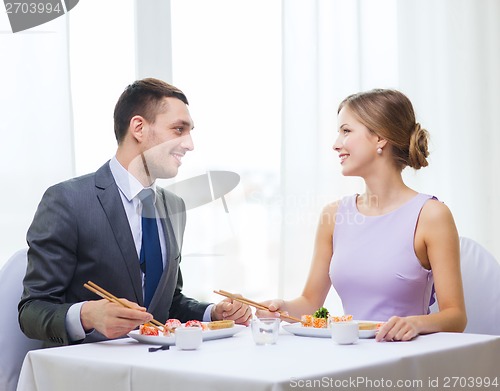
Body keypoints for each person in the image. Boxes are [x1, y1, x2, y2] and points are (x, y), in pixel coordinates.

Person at [19, 78, 251, 346]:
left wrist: (212, 313)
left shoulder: (174, 207)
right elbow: (32, 310)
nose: (190, 145)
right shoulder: (67, 201)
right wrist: (86, 315)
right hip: (88, 372)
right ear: (139, 128)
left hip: (157, 370)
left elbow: (167, 304)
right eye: (178, 130)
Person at [257, 89, 467, 341]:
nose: (336, 144)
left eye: (346, 131)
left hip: (405, 360)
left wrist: (415, 323)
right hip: (349, 357)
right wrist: (283, 309)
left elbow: (456, 317)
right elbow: (311, 302)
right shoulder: (333, 215)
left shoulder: (431, 215)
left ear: (380, 138)